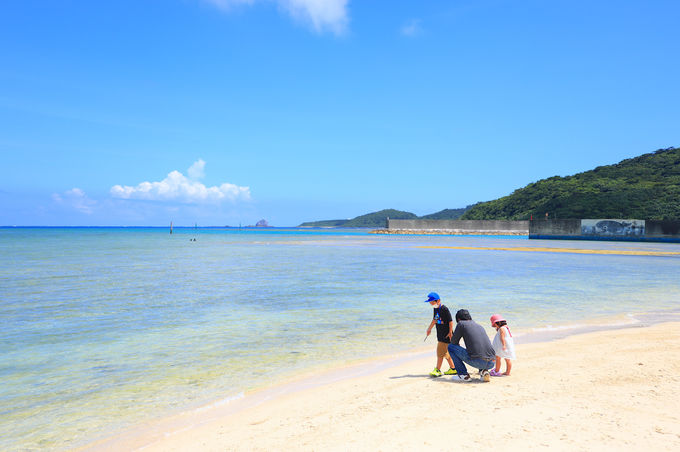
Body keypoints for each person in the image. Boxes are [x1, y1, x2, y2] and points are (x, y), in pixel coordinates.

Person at [447, 309, 496, 382]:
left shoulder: (461, 324)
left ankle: (463, 375)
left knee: (450, 347)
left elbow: (453, 342)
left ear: (458, 319)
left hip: (479, 361)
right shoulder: (479, 326)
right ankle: (483, 371)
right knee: (477, 350)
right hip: (492, 362)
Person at [424, 292, 457, 377]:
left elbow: (450, 321)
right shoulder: (435, 309)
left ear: (438, 300)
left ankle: (438, 370)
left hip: (446, 334)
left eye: (432, 302)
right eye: (430, 303)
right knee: (445, 353)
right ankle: (453, 369)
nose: (431, 304)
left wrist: (450, 332)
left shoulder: (444, 309)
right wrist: (429, 329)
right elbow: (435, 319)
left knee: (440, 353)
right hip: (440, 334)